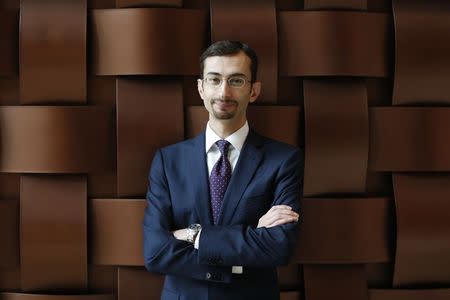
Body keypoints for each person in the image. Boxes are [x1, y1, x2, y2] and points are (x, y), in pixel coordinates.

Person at [143, 40, 304, 300]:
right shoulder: (167, 161)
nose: (224, 92)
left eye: (237, 81)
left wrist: (191, 234)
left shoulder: (283, 160)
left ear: (254, 91)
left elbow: (278, 247)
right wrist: (248, 241)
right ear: (201, 88)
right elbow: (156, 253)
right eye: (214, 80)